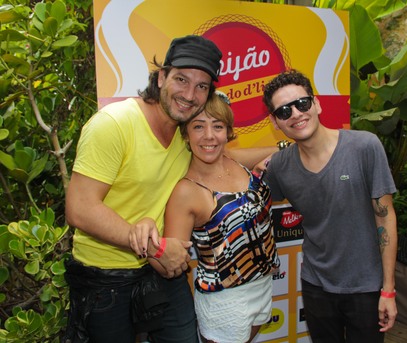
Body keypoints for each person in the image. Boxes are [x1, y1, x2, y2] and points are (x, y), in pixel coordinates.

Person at [64, 35, 273, 342]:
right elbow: (80, 208)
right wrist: (154, 247)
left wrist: (285, 149)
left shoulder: (185, 132)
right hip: (106, 276)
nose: (190, 94)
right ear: (161, 77)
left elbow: (226, 156)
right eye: (181, 79)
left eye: (202, 86)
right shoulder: (114, 124)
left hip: (162, 270)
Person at [261, 70, 398, 343]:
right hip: (316, 285)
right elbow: (257, 200)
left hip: (366, 286)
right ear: (275, 122)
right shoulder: (280, 165)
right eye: (284, 111)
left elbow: (385, 219)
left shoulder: (364, 147)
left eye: (302, 103)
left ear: (317, 103)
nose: (296, 114)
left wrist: (388, 289)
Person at [143, 92, 280, 343]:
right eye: (198, 126)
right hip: (225, 300)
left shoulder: (234, 162)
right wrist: (144, 240)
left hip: (262, 286)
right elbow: (170, 265)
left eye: (217, 126)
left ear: (228, 132)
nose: (209, 135)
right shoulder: (186, 191)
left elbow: (281, 153)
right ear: (185, 134)